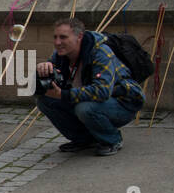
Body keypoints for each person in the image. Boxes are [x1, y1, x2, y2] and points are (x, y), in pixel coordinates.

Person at [34, 18, 144, 156]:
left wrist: (63, 94)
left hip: (123, 102)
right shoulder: (60, 54)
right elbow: (43, 86)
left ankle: (112, 140)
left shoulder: (100, 52)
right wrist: (42, 71)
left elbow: (102, 92)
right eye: (55, 37)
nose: (57, 42)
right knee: (45, 101)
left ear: (79, 36)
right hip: (91, 100)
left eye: (63, 37)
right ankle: (84, 140)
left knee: (85, 108)